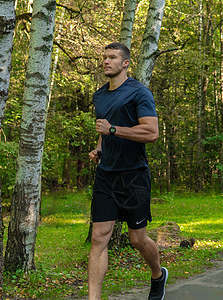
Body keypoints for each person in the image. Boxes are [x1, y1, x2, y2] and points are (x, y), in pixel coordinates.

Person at [88, 42, 168, 300]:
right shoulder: (99, 95)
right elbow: (105, 126)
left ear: (126, 63)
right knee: (99, 238)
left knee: (137, 239)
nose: (106, 61)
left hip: (133, 175)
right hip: (106, 175)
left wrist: (113, 130)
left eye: (112, 57)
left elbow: (151, 133)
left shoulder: (139, 93)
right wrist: (100, 146)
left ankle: (158, 274)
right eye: (104, 57)